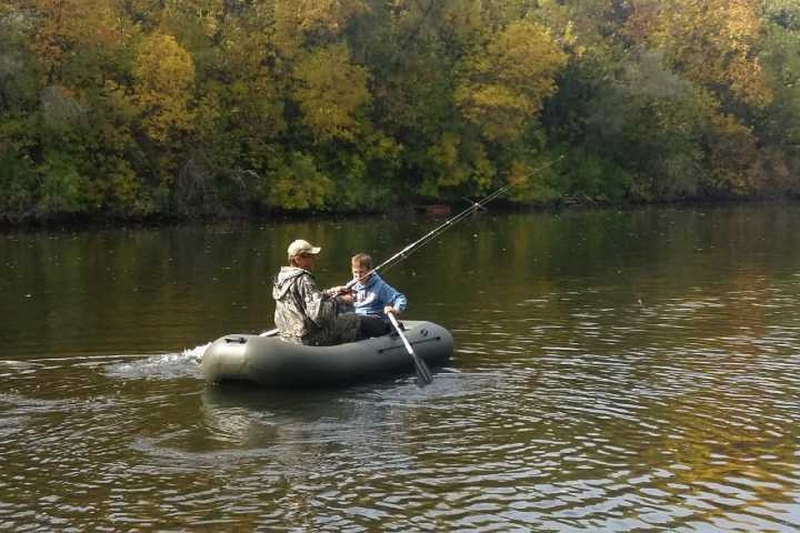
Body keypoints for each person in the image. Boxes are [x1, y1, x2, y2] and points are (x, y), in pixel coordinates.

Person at [272, 239, 361, 346]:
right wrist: (341, 300)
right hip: (307, 339)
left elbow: (305, 299)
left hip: (287, 335)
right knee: (353, 319)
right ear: (298, 259)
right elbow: (320, 316)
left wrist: (334, 291)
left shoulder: (281, 277)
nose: (314, 259)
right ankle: (342, 353)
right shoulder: (304, 279)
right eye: (310, 256)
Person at [349, 253, 408, 337]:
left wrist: (395, 310)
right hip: (357, 319)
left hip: (377, 321)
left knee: (356, 320)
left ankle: (391, 327)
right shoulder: (351, 286)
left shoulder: (380, 286)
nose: (358, 276)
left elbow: (400, 298)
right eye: (355, 272)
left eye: (361, 272)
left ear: (369, 271)